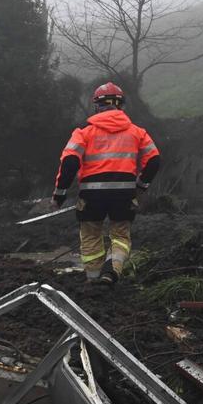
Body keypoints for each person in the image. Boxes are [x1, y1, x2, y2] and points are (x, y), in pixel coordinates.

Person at [52, 82, 160, 286]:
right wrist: (141, 186)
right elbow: (154, 160)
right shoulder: (137, 132)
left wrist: (59, 195)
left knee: (91, 235)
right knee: (120, 235)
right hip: (125, 194)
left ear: (97, 106)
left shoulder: (83, 132)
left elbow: (69, 162)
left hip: (91, 195)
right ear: (121, 106)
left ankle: (93, 282)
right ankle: (111, 271)